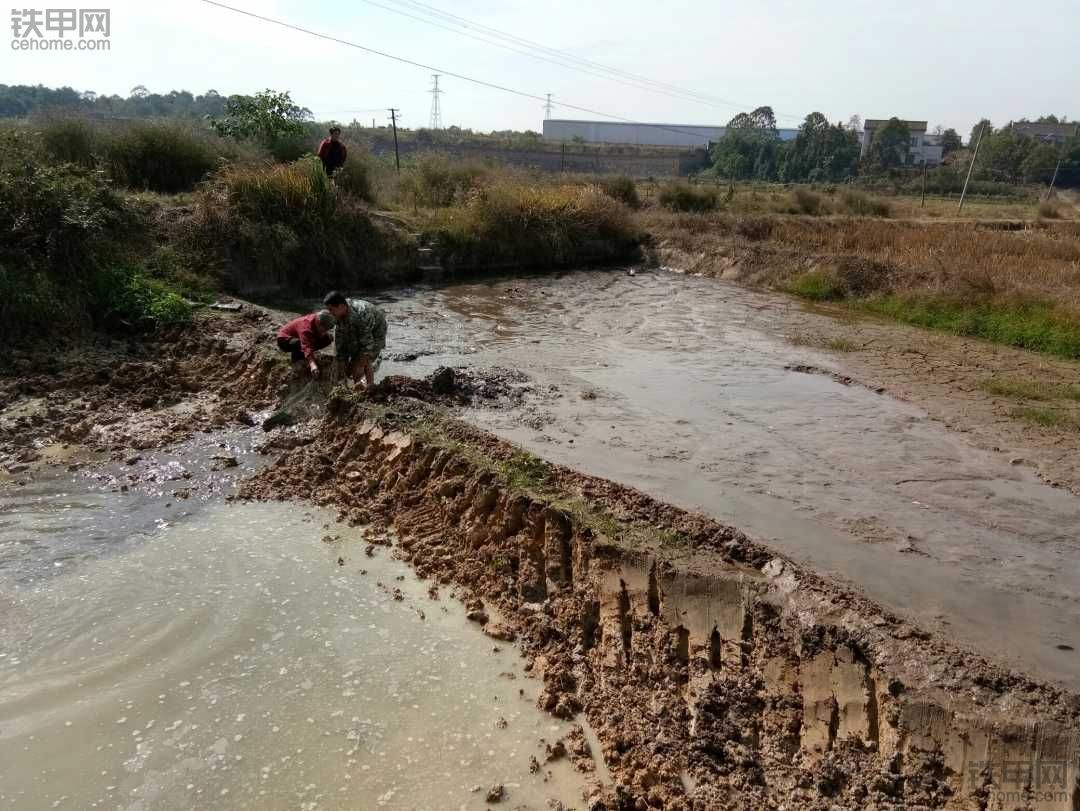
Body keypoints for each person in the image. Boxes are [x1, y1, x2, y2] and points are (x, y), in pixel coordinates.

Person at [323, 291, 387, 388]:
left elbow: (367, 345)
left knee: (361, 363)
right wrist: (340, 362)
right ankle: (353, 384)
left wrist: (359, 364)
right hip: (357, 327)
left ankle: (368, 387)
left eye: (331, 309)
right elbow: (339, 343)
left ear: (340, 306)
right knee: (343, 361)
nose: (330, 313)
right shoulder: (338, 314)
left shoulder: (361, 314)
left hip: (376, 331)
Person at [276, 310, 336, 378]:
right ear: (318, 323)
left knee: (328, 338)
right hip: (284, 340)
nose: (325, 331)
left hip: (302, 339)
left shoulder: (318, 320)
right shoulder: (306, 327)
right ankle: (297, 361)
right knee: (299, 344)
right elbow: (306, 346)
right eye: (324, 329)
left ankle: (305, 355)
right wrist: (313, 365)